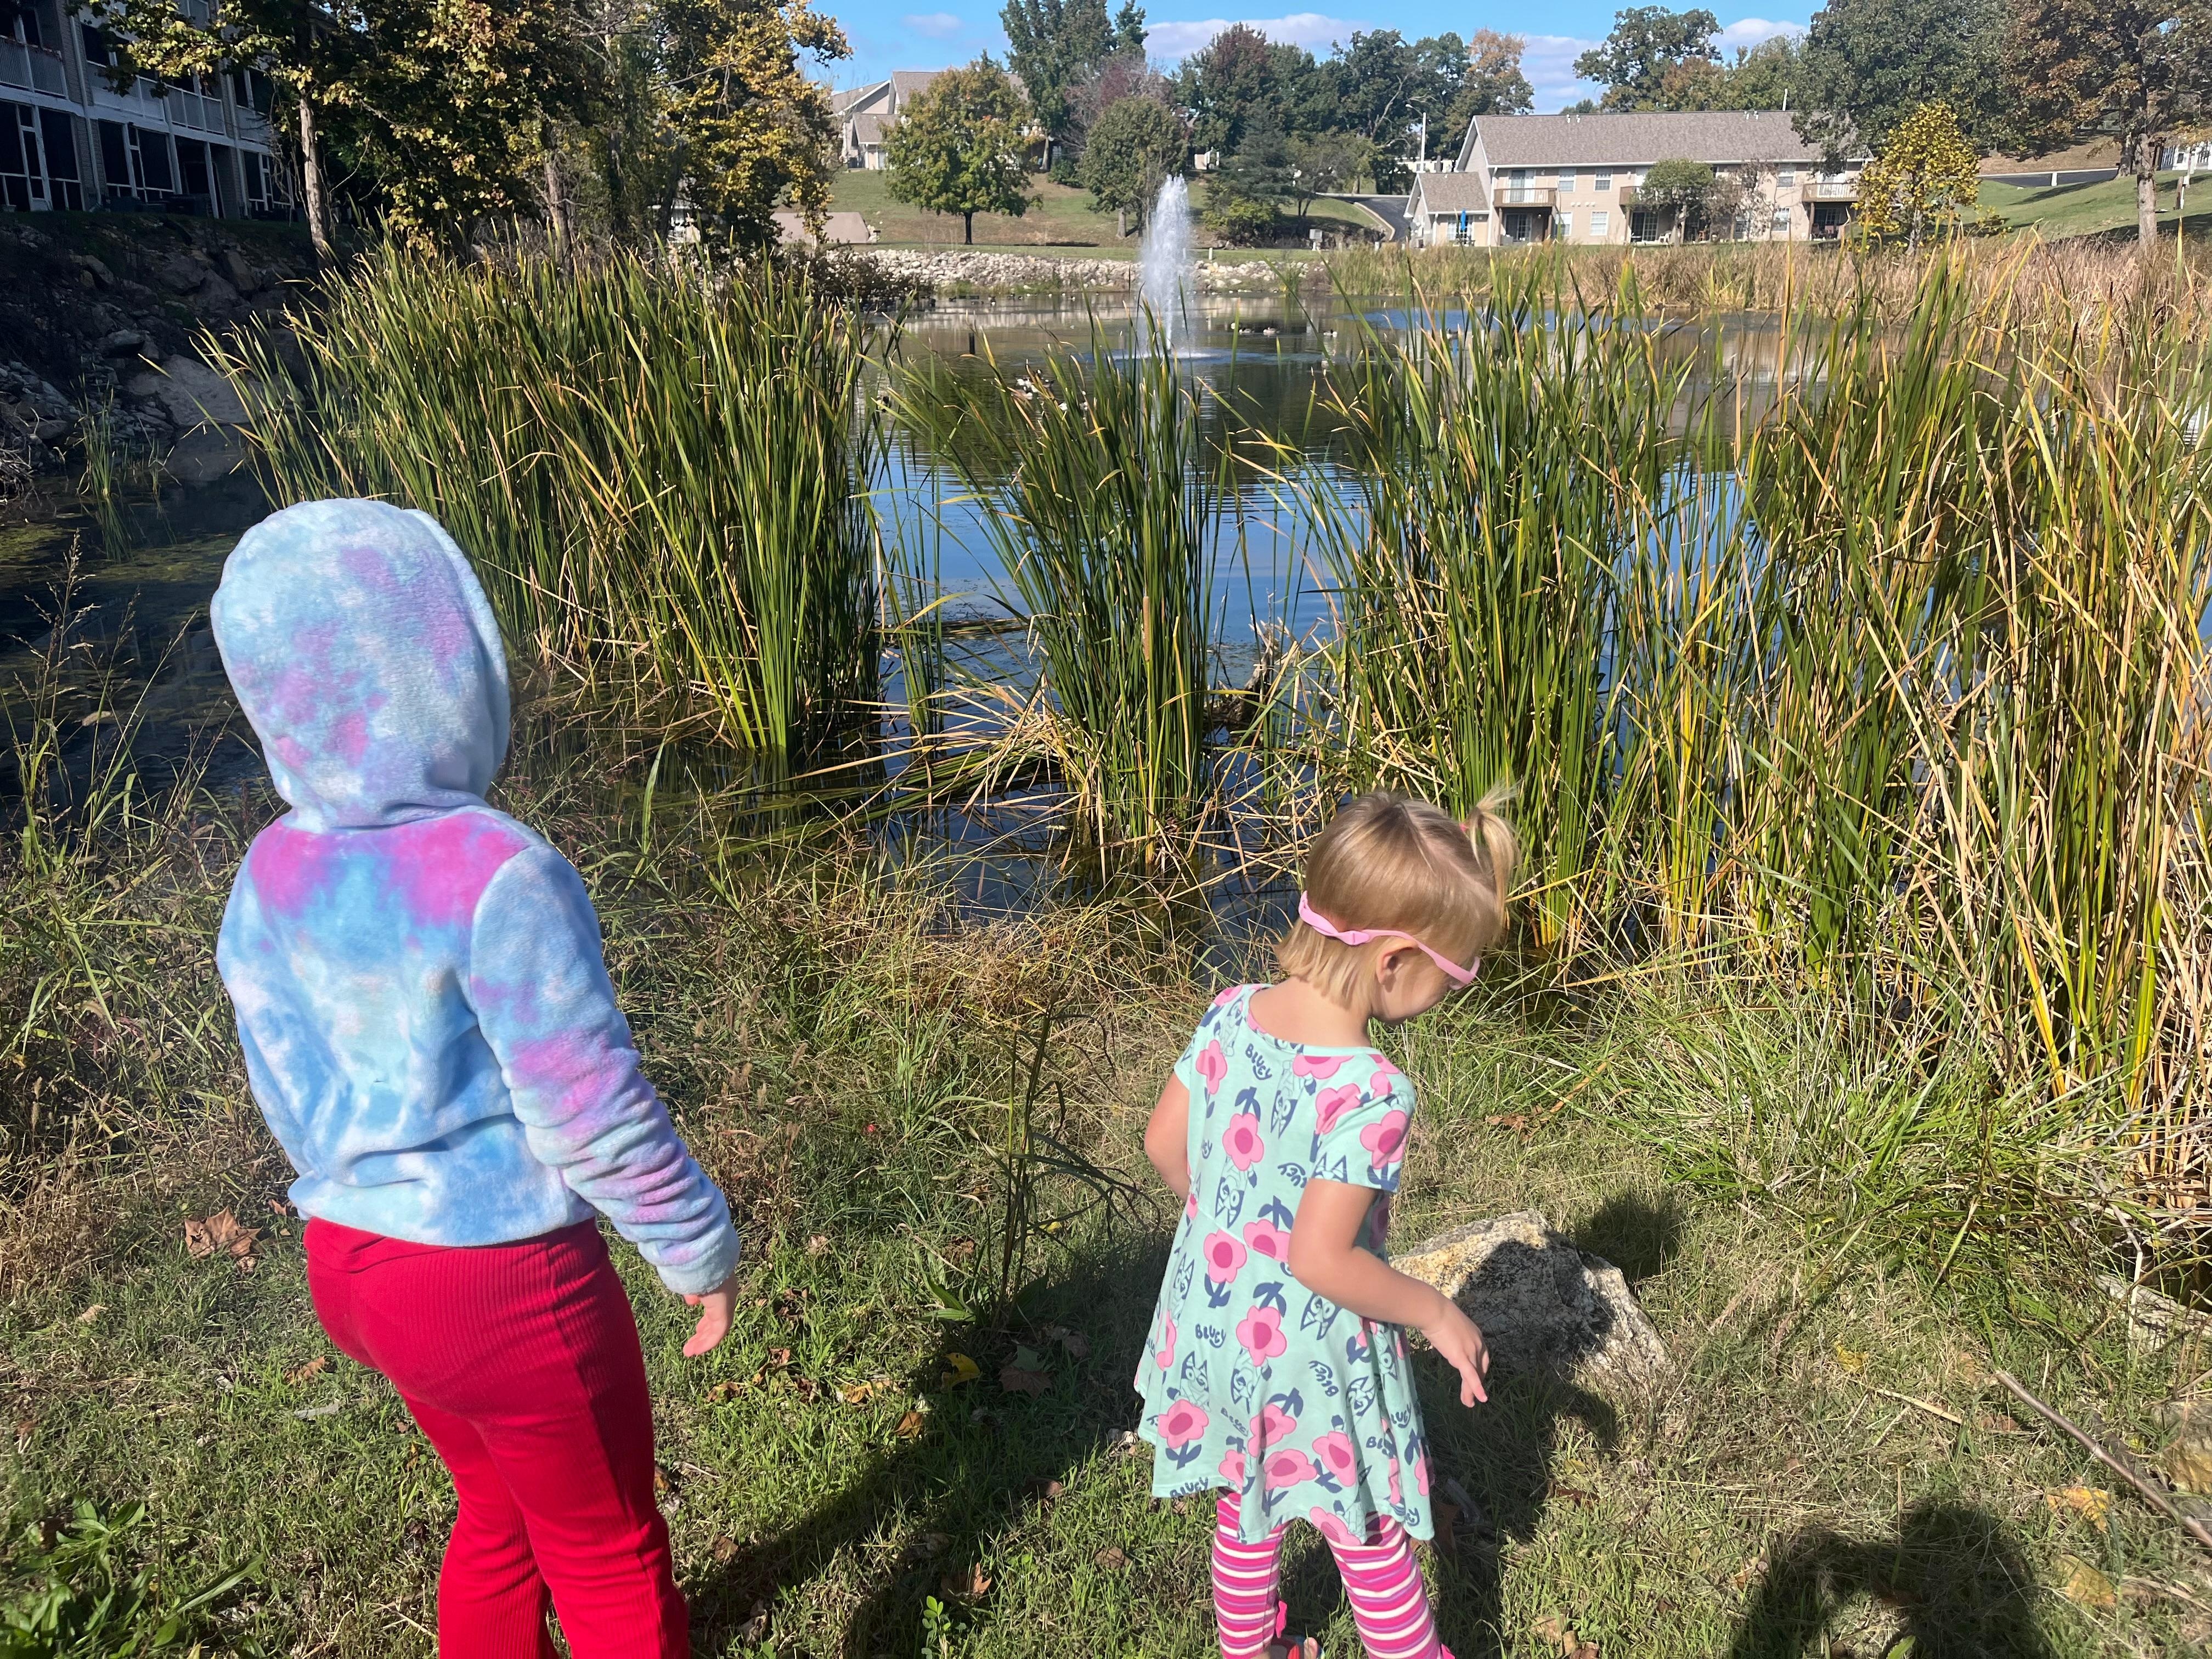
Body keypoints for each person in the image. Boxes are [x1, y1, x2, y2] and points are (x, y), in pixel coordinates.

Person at [210, 498, 741, 1659]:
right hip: (500, 1286)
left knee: (497, 1516)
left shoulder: (272, 866)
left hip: (352, 1261)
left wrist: (354, 1187)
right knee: (606, 1549)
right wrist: (695, 1247)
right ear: (445, 664)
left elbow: (279, 1073)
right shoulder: (496, 870)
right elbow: (588, 1106)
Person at [1137, 789, 1517, 1659]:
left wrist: (1227, 1233)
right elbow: (1320, 1258)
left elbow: (1163, 1143)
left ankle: (1249, 1651)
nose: (1453, 991)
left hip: (1216, 1330)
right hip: (1315, 1359)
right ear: (1394, 961)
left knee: (1247, 1505)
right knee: (1370, 1527)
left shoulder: (1230, 1010)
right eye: (1457, 973)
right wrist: (1434, 1311)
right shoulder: (1371, 1091)